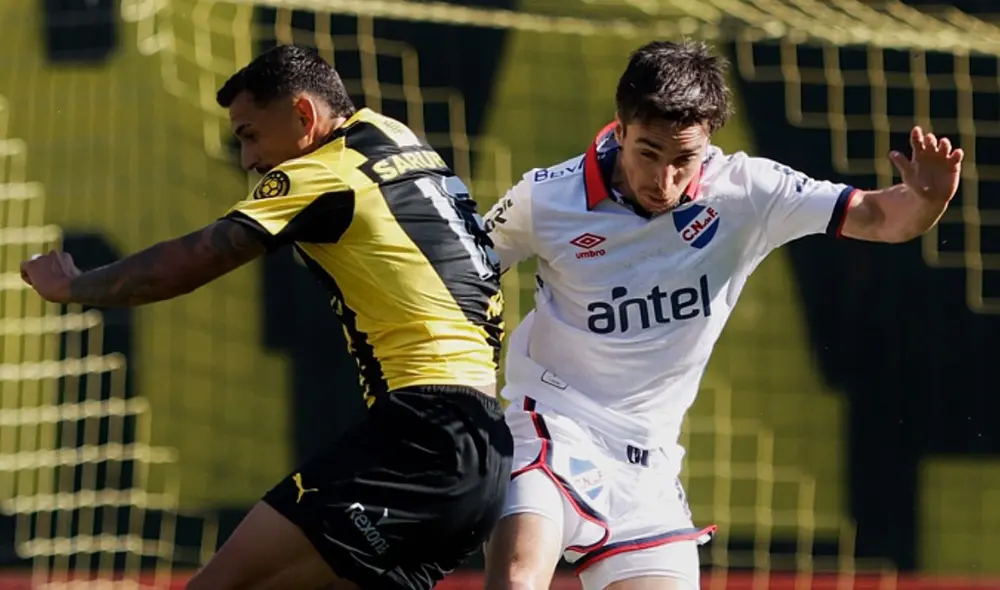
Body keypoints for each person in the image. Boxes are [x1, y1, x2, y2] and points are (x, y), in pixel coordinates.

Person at [20, 44, 513, 590]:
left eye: (250, 135)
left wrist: (72, 286)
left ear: (304, 115)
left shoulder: (323, 173)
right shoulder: (395, 137)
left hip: (421, 435)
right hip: (483, 451)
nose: (249, 160)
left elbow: (191, 261)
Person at [482, 39, 963, 590]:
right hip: (551, 425)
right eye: (648, 153)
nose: (663, 181)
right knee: (517, 579)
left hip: (651, 468)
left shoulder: (749, 192)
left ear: (709, 140)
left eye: (682, 159)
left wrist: (927, 200)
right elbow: (465, 270)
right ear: (619, 128)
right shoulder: (546, 199)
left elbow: (880, 217)